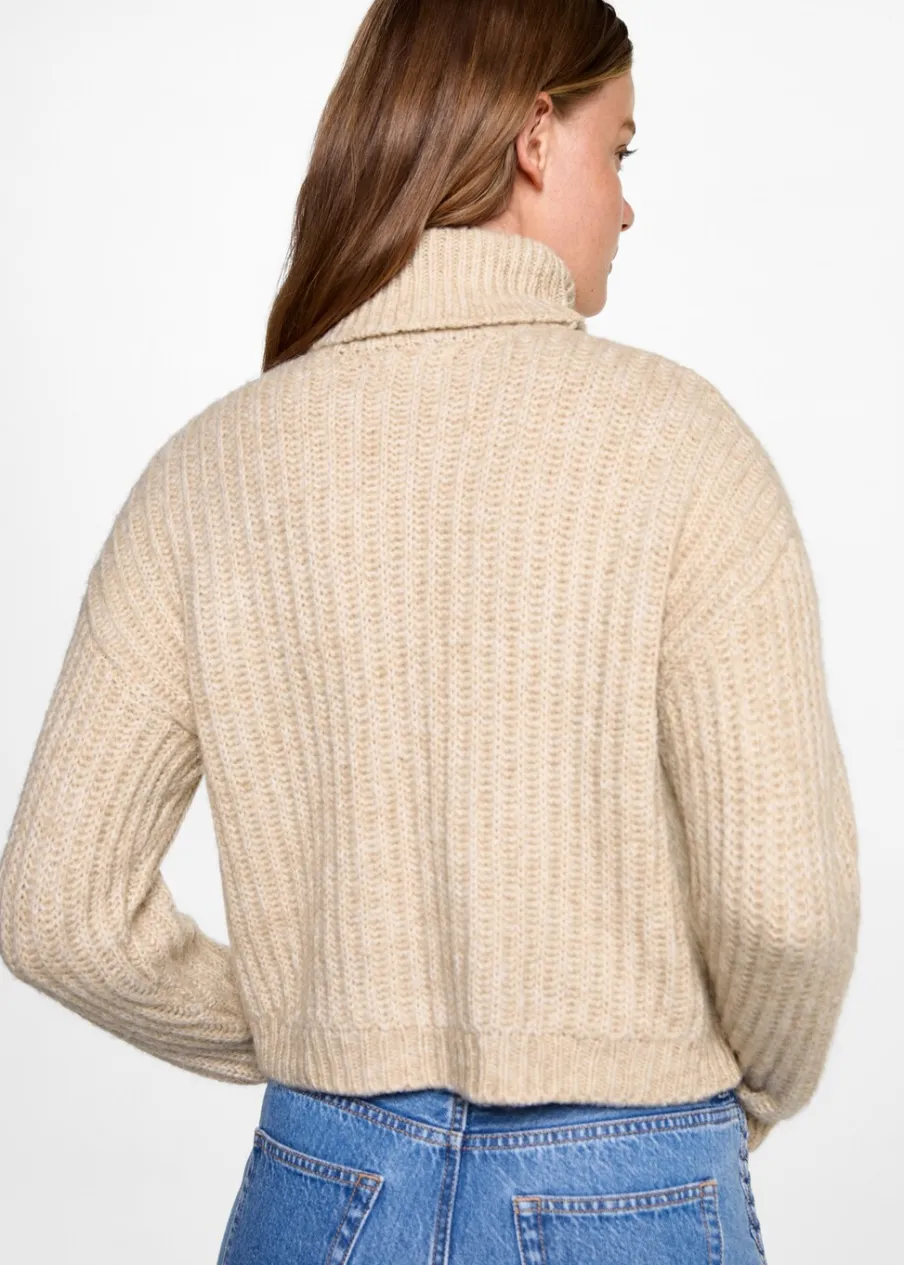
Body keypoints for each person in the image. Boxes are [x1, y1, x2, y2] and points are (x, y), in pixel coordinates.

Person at [0, 2, 860, 1262]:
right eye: (619, 150)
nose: (627, 205)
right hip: (633, 1180)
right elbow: (784, 906)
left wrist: (311, 1022)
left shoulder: (210, 471)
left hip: (322, 1178)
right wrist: (742, 1096)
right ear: (533, 136)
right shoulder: (684, 447)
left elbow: (56, 904)